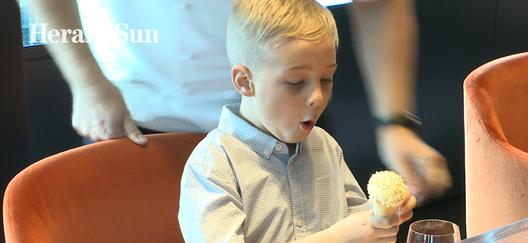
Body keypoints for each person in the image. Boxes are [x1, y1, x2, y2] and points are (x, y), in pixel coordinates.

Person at [27, 0, 451, 203]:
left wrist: (395, 122)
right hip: (137, 125)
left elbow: (379, 5)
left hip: (280, 123)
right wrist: (87, 83)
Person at [178, 0, 415, 243]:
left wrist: (383, 222)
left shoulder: (325, 146)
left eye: (326, 79)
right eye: (295, 83)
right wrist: (335, 242)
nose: (317, 97)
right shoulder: (214, 162)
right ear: (245, 82)